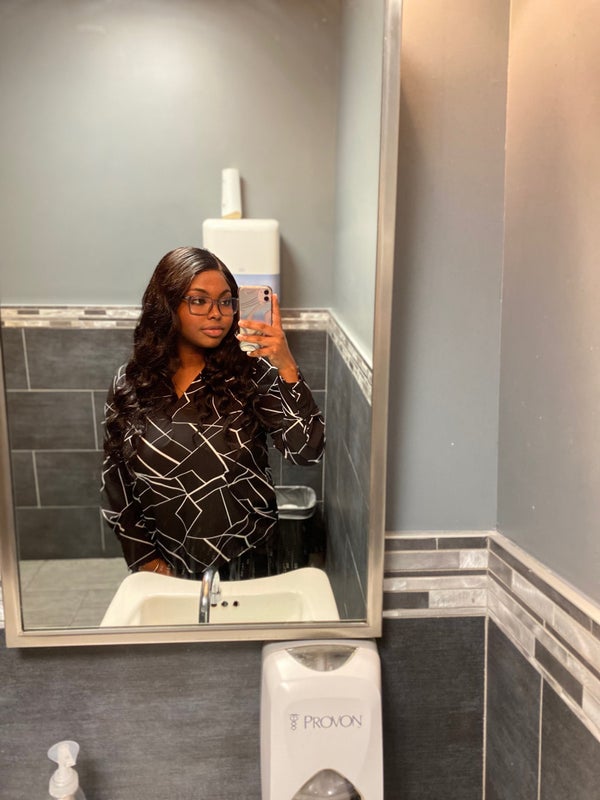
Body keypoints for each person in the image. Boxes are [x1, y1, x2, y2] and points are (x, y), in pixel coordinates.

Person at [101, 246, 324, 580]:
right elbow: (115, 480)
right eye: (199, 300)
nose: (217, 313)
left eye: (225, 301)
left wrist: (287, 366)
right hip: (164, 566)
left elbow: (306, 452)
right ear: (167, 305)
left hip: (250, 559)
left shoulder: (252, 374)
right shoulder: (131, 383)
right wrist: (147, 560)